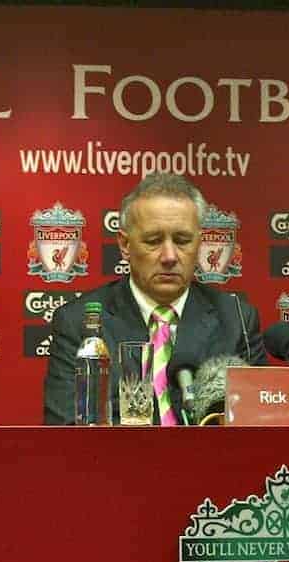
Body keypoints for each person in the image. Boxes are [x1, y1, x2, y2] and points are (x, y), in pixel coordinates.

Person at [42, 172, 266, 425]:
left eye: (182, 241)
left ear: (200, 243)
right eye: (153, 241)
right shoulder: (77, 323)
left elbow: (257, 430)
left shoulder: (236, 319)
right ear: (125, 245)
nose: (170, 256)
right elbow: (64, 431)